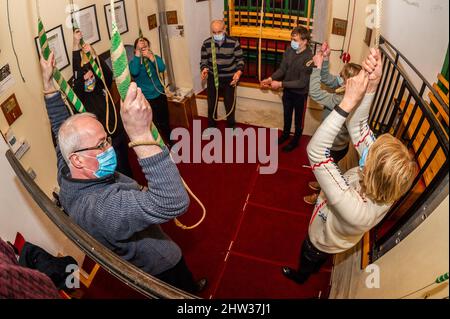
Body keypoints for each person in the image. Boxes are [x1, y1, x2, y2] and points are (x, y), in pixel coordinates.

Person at [40, 52, 207, 294]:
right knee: (180, 287)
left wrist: (48, 86)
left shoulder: (67, 168)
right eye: (100, 145)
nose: (110, 148)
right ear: (77, 158)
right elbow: (174, 201)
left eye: (106, 140)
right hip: (159, 263)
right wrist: (140, 136)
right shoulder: (101, 207)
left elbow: (59, 126)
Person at [282, 49, 417, 284]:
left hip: (322, 236)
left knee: (310, 254)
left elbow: (316, 152)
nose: (369, 149)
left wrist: (346, 104)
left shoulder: (357, 210)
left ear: (372, 173)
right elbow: (359, 126)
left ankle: (301, 277)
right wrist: (372, 86)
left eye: (371, 154)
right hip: (334, 219)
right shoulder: (387, 178)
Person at [304, 42, 362, 205]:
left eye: (342, 78)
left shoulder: (340, 99)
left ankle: (320, 197)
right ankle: (320, 185)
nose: (339, 80)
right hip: (340, 144)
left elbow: (315, 92)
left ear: (347, 82)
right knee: (328, 169)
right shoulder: (351, 90)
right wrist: (327, 58)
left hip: (334, 146)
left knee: (327, 173)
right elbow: (328, 80)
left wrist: (316, 67)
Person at [72, 29, 133, 178]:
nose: (89, 78)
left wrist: (93, 55)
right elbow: (75, 73)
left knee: (125, 164)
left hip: (117, 132)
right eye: (85, 78)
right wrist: (75, 44)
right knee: (112, 171)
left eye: (91, 75)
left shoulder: (100, 86)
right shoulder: (82, 97)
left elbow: (106, 73)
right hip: (102, 142)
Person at [261, 26, 313, 152]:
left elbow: (302, 82)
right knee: (287, 115)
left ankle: (295, 140)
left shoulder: (309, 57)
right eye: (292, 39)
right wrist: (270, 78)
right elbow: (282, 69)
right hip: (288, 91)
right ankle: (285, 135)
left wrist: (280, 84)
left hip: (300, 94)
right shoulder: (289, 51)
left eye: (295, 40)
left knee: (298, 120)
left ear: (304, 41)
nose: (292, 42)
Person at [200, 20, 245, 134]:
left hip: (229, 77)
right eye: (214, 32)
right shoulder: (206, 43)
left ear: (225, 30)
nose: (217, 35)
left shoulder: (234, 42)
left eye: (219, 31)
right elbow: (204, 60)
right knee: (211, 104)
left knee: (229, 104)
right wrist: (204, 69)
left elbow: (240, 60)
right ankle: (211, 126)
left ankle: (231, 127)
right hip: (213, 77)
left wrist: (238, 72)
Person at [129, 37, 172, 145]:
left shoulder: (154, 58)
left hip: (159, 94)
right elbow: (134, 72)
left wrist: (151, 57)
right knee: (151, 125)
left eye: (145, 47)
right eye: (140, 48)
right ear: (135, 50)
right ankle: (157, 145)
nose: (143, 49)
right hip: (146, 99)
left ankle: (170, 142)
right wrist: (138, 56)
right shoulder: (134, 63)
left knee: (164, 121)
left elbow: (162, 68)